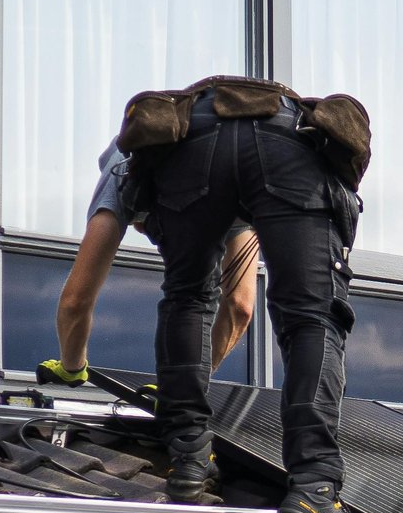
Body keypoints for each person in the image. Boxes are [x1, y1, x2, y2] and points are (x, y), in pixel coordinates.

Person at [132, 75, 379, 513]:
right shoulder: (290, 147)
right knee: (312, 318)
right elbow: (246, 301)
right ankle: (314, 489)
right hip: (285, 141)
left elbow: (227, 295)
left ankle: (189, 459)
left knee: (185, 296)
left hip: (191, 141)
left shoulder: (160, 152)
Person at [35, 143, 257, 385]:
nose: (149, 235)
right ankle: (184, 384)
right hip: (248, 166)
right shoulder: (241, 182)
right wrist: (188, 384)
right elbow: (240, 307)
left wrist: (71, 366)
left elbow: (75, 301)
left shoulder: (125, 165)